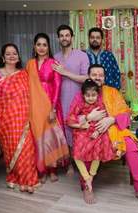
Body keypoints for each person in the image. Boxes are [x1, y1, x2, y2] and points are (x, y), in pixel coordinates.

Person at [65, 64, 138, 208]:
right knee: (84, 147)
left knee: (131, 146)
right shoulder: (81, 94)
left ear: (104, 78)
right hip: (90, 132)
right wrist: (89, 116)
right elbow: (72, 118)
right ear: (88, 76)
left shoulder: (112, 92)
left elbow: (126, 113)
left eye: (101, 75)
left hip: (114, 130)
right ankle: (87, 187)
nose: (97, 77)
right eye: (94, 74)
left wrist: (112, 119)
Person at [0, 43, 39, 193]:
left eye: (14, 53)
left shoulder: (23, 74)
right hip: (6, 121)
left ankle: (28, 181)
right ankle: (15, 178)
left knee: (27, 150)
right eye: (8, 54)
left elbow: (30, 96)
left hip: (24, 120)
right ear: (3, 57)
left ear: (18, 56)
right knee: (11, 151)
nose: (11, 56)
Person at [26, 33, 69, 183]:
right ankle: (41, 169)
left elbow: (57, 86)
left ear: (48, 47)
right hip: (34, 107)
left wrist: (53, 109)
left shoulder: (53, 62)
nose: (42, 47)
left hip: (50, 104)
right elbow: (26, 86)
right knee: (38, 138)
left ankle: (52, 169)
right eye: (39, 44)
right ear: (34, 46)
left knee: (50, 138)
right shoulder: (29, 64)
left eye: (44, 45)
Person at [67, 79, 115, 200]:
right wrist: (83, 122)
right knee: (77, 154)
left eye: (93, 95)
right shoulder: (80, 104)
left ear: (97, 95)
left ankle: (91, 176)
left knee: (98, 151)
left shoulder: (100, 105)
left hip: (97, 131)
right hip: (83, 131)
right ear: (83, 95)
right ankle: (86, 178)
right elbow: (71, 118)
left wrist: (98, 131)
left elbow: (104, 119)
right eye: (87, 95)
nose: (90, 98)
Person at [52, 25, 89, 173]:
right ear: (58, 38)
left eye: (67, 35)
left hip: (77, 100)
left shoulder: (82, 55)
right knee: (62, 131)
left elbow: (86, 78)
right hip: (60, 101)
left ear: (72, 37)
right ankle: (68, 165)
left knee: (77, 132)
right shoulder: (55, 57)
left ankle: (80, 162)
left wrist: (65, 72)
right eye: (61, 35)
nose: (64, 38)